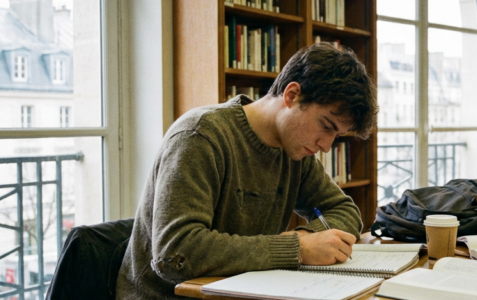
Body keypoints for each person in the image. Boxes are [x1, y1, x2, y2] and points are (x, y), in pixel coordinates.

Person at [116, 42, 378, 299]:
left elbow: (345, 211)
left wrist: (308, 237)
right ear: (292, 95)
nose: (326, 146)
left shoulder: (295, 151)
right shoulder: (199, 136)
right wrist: (297, 249)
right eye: (326, 126)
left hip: (242, 291)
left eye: (336, 135)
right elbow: (175, 253)